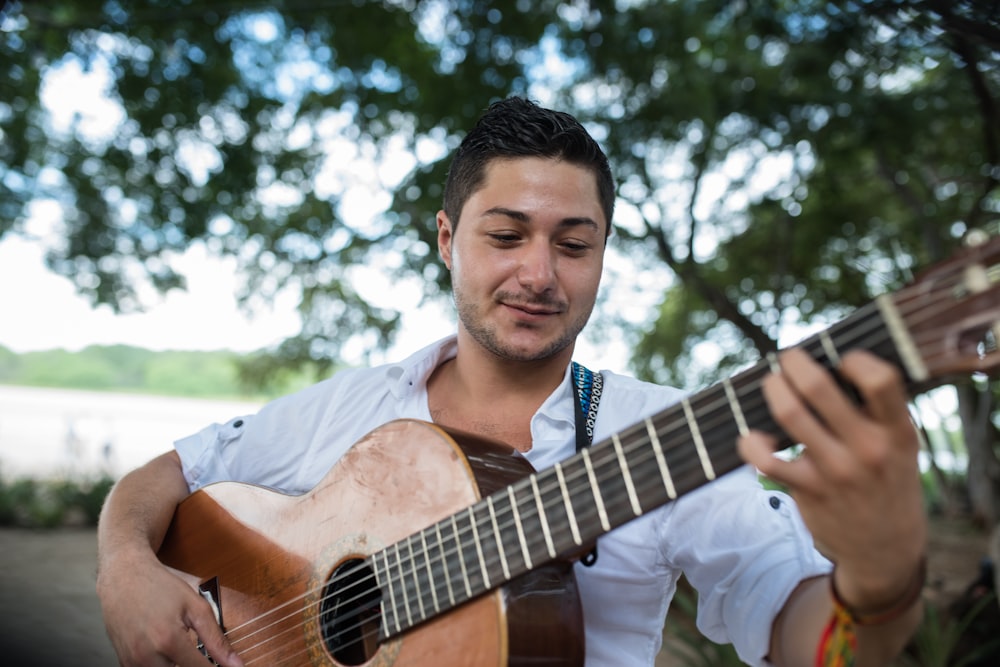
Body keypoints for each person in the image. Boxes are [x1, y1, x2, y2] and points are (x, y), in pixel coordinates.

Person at [96, 97, 927, 667]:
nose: (539, 273)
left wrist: (882, 581)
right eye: (506, 235)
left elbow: (807, 636)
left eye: (574, 244)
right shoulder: (354, 403)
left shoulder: (666, 433)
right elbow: (165, 478)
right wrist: (123, 562)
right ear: (447, 237)